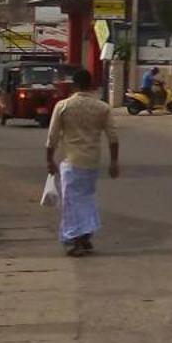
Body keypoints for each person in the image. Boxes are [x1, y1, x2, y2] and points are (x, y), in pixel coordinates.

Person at [47, 65, 120, 258]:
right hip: (92, 161)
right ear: (90, 85)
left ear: (75, 85)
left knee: (72, 202)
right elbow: (113, 137)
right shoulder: (102, 107)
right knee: (86, 198)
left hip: (71, 161)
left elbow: (52, 137)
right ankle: (86, 235)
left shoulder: (63, 106)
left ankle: (76, 240)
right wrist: (114, 162)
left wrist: (49, 160)